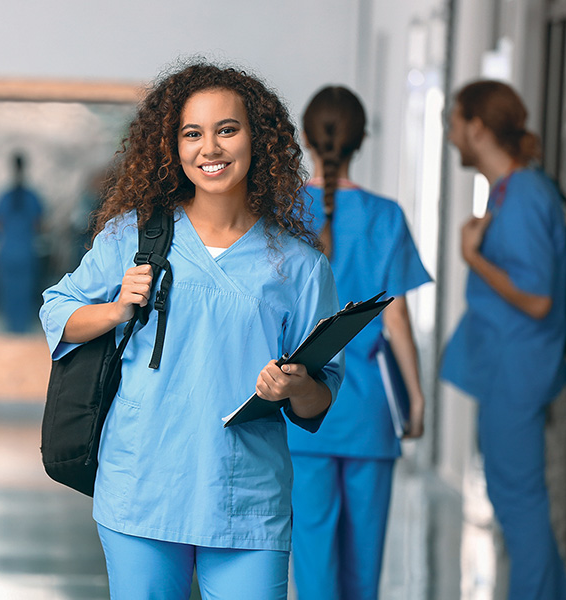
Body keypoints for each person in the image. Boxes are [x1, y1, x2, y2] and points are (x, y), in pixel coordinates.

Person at [40, 62, 343, 600]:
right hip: (143, 487)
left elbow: (319, 397)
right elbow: (57, 311)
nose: (211, 148)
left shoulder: (298, 266)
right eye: (192, 133)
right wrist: (115, 310)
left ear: (258, 139)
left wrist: (295, 386)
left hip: (245, 501)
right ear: (173, 147)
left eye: (228, 129)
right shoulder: (133, 236)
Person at [285, 86, 431, 600]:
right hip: (370, 414)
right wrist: (415, 399)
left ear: (305, 137)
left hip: (303, 417)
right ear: (362, 140)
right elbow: (398, 322)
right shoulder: (385, 216)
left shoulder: (282, 214)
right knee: (363, 570)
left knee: (312, 561)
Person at [441, 80, 566, 599]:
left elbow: (538, 298)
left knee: (519, 501)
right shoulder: (508, 190)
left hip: (520, 368)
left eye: (454, 123)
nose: (451, 135)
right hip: (507, 366)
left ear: (477, 126)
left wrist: (474, 259)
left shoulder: (523, 196)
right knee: (513, 494)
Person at [0, 152, 44, 333]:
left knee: (9, 291)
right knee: (24, 291)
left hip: (8, 251)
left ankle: (11, 327)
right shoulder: (32, 197)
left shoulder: (4, 197)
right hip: (25, 251)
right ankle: (21, 328)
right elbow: (39, 225)